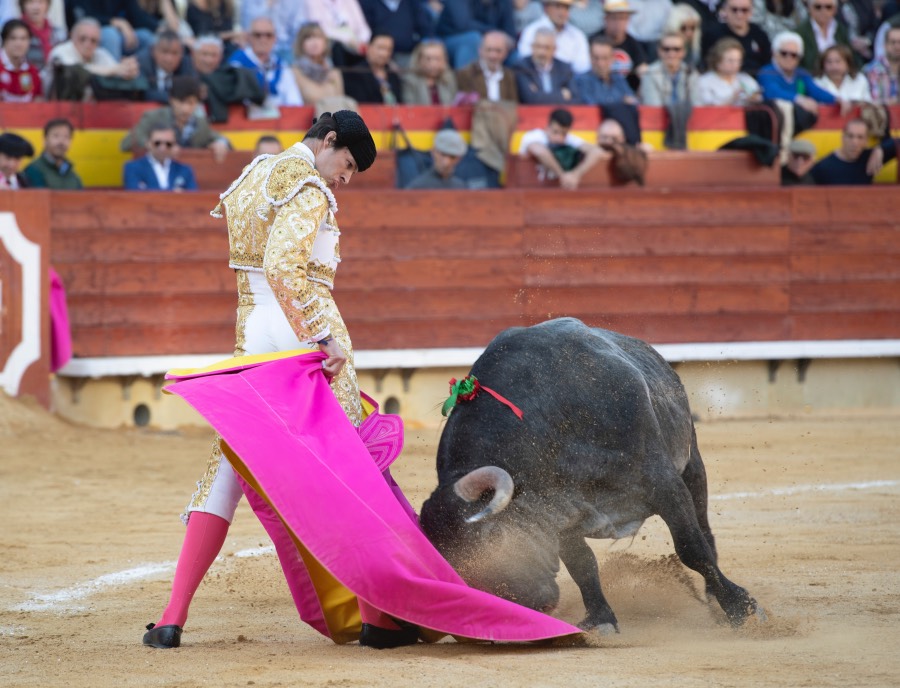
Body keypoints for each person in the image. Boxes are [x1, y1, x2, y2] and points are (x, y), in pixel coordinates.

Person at [140, 110, 418, 650]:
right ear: (329, 141)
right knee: (346, 464)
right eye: (347, 164)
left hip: (251, 333)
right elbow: (284, 267)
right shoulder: (309, 186)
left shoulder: (252, 176)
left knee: (227, 462)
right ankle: (377, 619)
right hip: (299, 333)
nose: (346, 178)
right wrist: (322, 336)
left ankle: (172, 617)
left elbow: (258, 271)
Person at [120, 75, 230, 162]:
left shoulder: (200, 123)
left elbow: (222, 140)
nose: (185, 109)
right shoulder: (153, 117)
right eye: (181, 102)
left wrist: (221, 143)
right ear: (171, 100)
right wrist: (157, 146)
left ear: (197, 103)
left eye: (191, 103)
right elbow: (126, 143)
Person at [42, 17, 140, 98]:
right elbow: (75, 70)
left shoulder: (101, 53)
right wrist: (114, 70)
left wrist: (128, 69)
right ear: (72, 36)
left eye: (93, 40)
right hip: (56, 108)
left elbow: (118, 70)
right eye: (83, 39)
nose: (88, 44)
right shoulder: (60, 51)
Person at [518, 107, 605, 189]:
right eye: (555, 132)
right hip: (528, 187)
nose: (559, 138)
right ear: (547, 127)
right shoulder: (534, 135)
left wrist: (576, 174)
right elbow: (540, 152)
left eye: (563, 134)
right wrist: (563, 175)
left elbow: (597, 151)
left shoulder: (569, 138)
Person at [227, 16, 303, 106]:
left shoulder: (282, 66)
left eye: (268, 35)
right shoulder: (236, 64)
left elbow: (294, 101)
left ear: (275, 38)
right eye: (257, 35)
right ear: (248, 37)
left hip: (280, 117)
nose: (263, 40)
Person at [810, 117, 897, 184]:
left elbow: (897, 143)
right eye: (850, 136)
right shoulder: (824, 167)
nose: (855, 142)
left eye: (860, 137)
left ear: (866, 141)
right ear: (843, 137)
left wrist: (880, 149)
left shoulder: (869, 157)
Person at [434, 0, 517, 69]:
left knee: (516, 55)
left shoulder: (505, 2)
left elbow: (511, 34)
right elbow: (463, 24)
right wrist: (494, 35)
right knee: (473, 40)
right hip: (449, 41)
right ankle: (467, 86)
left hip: (489, 42)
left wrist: (499, 40)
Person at [700, 0, 772, 76]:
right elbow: (708, 63)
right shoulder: (713, 34)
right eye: (734, 9)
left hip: (755, 81)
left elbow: (767, 63)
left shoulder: (759, 34)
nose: (739, 14)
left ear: (751, 11)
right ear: (725, 10)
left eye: (744, 10)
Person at [518, 0, 591, 74]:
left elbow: (583, 67)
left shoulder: (577, 35)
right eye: (557, 7)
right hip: (537, 78)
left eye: (566, 8)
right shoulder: (531, 31)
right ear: (546, 8)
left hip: (569, 81)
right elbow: (526, 62)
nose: (562, 12)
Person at [359, 0, 435, 68]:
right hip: (379, 55)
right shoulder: (367, 3)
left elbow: (425, 30)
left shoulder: (412, 3)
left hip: (408, 54)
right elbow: (364, 33)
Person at [123, 123, 198, 191]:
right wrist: (174, 192)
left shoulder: (184, 170)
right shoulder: (133, 168)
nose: (163, 148)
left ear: (174, 145)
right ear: (148, 143)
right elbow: (135, 195)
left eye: (168, 144)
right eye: (157, 143)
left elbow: (193, 198)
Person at [514, 27, 576, 103]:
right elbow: (530, 99)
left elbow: (576, 99)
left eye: (547, 48)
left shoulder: (565, 68)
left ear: (554, 49)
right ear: (532, 47)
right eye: (538, 47)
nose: (542, 52)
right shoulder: (522, 67)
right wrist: (561, 95)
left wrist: (538, 94)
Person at [572, 35, 638, 105]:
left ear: (612, 58)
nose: (600, 63)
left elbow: (632, 102)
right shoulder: (581, 80)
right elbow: (591, 106)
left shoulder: (619, 79)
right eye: (596, 58)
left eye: (605, 58)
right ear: (590, 57)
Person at [598, 0, 648, 91]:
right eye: (614, 18)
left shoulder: (633, 44)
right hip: (599, 91)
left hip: (628, 94)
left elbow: (642, 69)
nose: (619, 23)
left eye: (623, 18)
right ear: (605, 19)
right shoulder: (595, 41)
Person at [292, 21, 345, 107]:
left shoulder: (334, 72)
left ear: (325, 42)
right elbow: (313, 98)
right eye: (309, 38)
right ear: (301, 43)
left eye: (318, 37)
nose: (314, 42)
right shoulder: (295, 71)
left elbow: (341, 103)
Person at [638, 31, 699, 106]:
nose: (671, 53)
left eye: (676, 49)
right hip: (659, 116)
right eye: (666, 49)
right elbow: (654, 108)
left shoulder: (691, 73)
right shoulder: (650, 73)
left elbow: (696, 105)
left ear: (684, 52)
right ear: (659, 51)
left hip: (687, 116)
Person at [455, 30, 518, 102]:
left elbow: (513, 105)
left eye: (498, 51)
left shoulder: (509, 76)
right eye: (489, 50)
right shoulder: (466, 74)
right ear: (480, 50)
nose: (493, 56)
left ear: (506, 53)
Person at [696, 36, 761, 105]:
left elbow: (759, 98)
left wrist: (754, 99)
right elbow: (707, 108)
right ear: (718, 61)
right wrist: (732, 99)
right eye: (730, 61)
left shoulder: (745, 79)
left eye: (738, 61)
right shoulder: (704, 81)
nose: (735, 65)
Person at [137, 28, 196, 103]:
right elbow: (144, 93)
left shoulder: (187, 64)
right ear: (153, 50)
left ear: (181, 53)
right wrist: (173, 98)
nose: (169, 59)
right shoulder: (142, 62)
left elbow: (191, 91)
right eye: (165, 52)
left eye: (174, 53)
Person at [305, 0, 372, 66]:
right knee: (338, 48)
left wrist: (362, 41)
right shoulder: (312, 1)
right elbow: (319, 27)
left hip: (355, 44)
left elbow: (363, 27)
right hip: (331, 43)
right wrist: (347, 39)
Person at [341, 33, 402, 103]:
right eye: (381, 48)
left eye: (389, 49)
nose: (384, 54)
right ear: (368, 47)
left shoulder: (393, 75)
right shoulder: (356, 73)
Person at [22, 117, 83, 188]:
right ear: (44, 140)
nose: (61, 141)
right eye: (56, 136)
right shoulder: (34, 170)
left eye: (66, 137)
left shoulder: (73, 176)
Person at [795, 0, 851, 73]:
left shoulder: (842, 30)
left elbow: (849, 57)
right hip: (812, 77)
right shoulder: (800, 33)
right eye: (818, 7)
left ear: (835, 10)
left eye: (828, 7)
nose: (823, 11)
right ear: (809, 8)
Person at [402, 38, 457, 105]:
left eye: (437, 59)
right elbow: (409, 107)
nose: (433, 64)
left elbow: (453, 105)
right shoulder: (410, 81)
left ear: (444, 61)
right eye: (428, 59)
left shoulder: (449, 79)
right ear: (419, 60)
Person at [0, 18, 42, 100]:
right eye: (13, 38)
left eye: (23, 38)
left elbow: (38, 100)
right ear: (4, 40)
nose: (18, 43)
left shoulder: (32, 71)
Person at [19, 0, 66, 70]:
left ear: (47, 5)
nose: (36, 7)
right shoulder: (16, 35)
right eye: (30, 2)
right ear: (23, 5)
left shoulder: (59, 34)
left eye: (41, 2)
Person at [863, 25, 900, 104]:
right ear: (885, 45)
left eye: (899, 42)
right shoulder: (873, 70)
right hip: (881, 114)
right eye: (893, 42)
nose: (897, 46)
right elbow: (874, 102)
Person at [663, 3, 703, 69]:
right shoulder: (662, 47)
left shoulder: (695, 49)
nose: (689, 33)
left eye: (692, 28)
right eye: (683, 28)